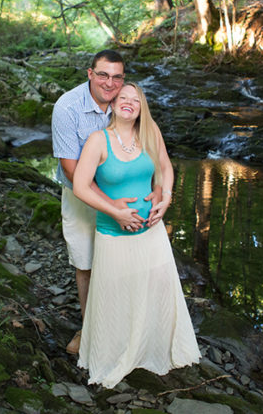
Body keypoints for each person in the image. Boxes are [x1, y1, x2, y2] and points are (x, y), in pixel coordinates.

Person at [71, 82, 200, 388]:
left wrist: (165, 197)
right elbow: (80, 186)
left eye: (136, 100)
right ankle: (113, 356)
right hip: (112, 234)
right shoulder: (97, 141)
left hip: (151, 233)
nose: (129, 102)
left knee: (153, 290)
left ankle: (151, 349)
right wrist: (115, 212)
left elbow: (166, 168)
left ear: (142, 107)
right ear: (113, 104)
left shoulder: (150, 134)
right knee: (116, 296)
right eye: (123, 98)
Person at [51, 50, 170, 354]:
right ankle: (91, 329)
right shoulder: (67, 107)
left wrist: (159, 190)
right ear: (89, 73)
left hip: (126, 195)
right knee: (87, 260)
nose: (110, 82)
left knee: (126, 261)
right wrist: (114, 206)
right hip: (82, 195)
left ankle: (130, 327)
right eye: (103, 74)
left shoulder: (128, 103)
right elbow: (71, 168)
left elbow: (155, 159)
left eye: (117, 77)